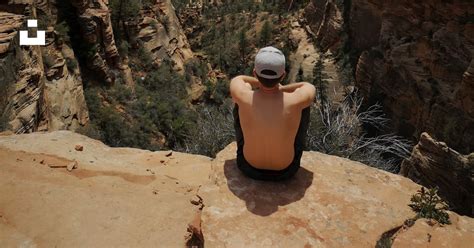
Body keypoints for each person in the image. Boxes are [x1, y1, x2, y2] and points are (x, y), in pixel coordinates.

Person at [230, 46, 316, 181]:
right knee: (303, 106)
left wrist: (259, 82)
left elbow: (240, 79)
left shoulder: (243, 95)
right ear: (283, 75)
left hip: (248, 167)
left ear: (254, 73)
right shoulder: (295, 100)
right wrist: (282, 89)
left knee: (238, 102)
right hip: (286, 171)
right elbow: (308, 86)